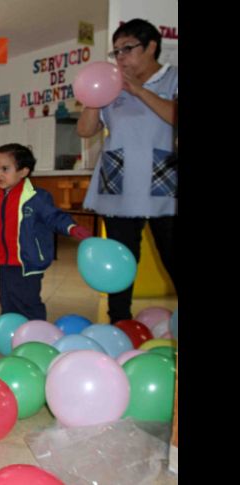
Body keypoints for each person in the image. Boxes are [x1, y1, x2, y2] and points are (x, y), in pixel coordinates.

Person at [77, 18, 178, 323]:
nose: (120, 57)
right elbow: (85, 130)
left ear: (151, 47)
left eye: (127, 49)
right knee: (121, 260)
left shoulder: (172, 78)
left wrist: (138, 90)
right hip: (118, 184)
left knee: (173, 256)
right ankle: (119, 324)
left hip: (163, 183)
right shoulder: (112, 85)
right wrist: (96, 96)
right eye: (116, 52)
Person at [0, 143, 91, 320]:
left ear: (24, 171)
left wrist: (72, 227)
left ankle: (36, 335)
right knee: (7, 301)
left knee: (27, 302)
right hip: (3, 261)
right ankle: (12, 335)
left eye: (5, 169)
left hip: (27, 262)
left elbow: (54, 216)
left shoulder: (36, 197)